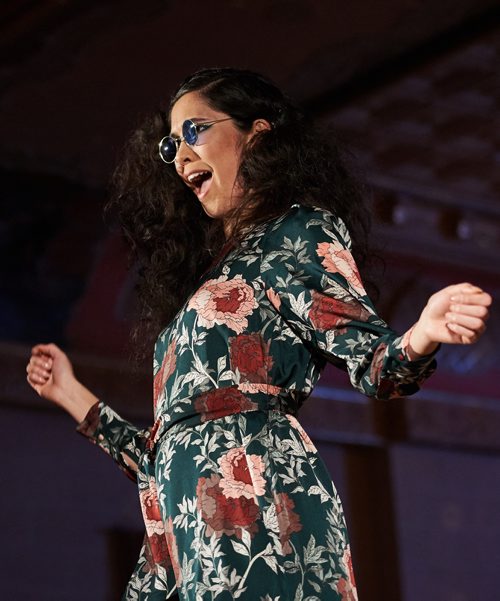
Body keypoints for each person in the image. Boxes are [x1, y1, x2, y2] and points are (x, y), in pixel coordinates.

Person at [26, 68, 491, 601]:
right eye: (170, 144)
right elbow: (170, 456)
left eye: (195, 131)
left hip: (263, 512)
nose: (179, 156)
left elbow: (375, 366)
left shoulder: (297, 232)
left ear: (258, 133)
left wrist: (423, 333)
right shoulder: (211, 277)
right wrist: (69, 393)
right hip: (185, 529)